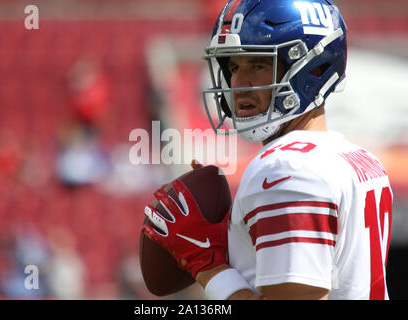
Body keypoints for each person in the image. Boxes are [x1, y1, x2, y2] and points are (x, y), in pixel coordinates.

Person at [142, 0, 393, 300]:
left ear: (313, 67)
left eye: (259, 64)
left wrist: (207, 265)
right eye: (234, 66)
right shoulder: (360, 159)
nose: (239, 83)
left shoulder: (285, 169)